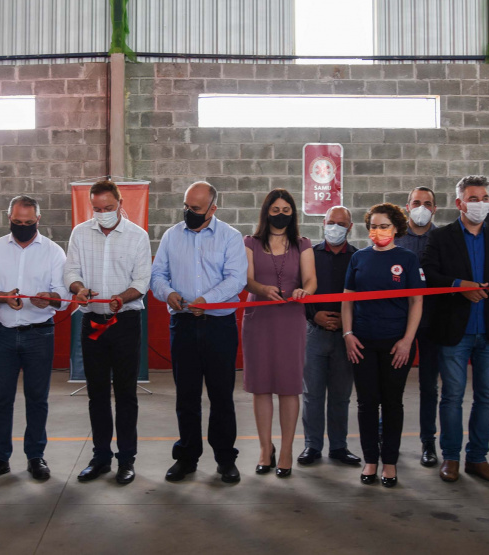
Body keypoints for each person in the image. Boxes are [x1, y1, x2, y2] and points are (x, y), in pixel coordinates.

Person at [422, 175, 489, 484]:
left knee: (487, 397)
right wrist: (458, 286)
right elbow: (429, 273)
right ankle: (451, 457)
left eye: (484, 198)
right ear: (460, 203)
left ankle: (477, 458)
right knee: (452, 396)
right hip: (455, 331)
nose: (481, 204)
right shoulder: (441, 237)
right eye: (474, 199)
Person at [150, 181, 248, 484]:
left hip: (218, 326)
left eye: (195, 208)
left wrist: (208, 300)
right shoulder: (171, 236)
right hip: (183, 325)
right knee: (187, 396)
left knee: (221, 397)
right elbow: (157, 275)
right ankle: (186, 457)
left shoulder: (230, 237)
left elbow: (237, 279)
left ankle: (225, 459)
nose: (188, 212)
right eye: (186, 206)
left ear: (212, 208)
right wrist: (168, 293)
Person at [0, 195, 67, 482]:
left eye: (28, 222)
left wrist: (49, 298)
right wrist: (1, 297)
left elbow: (63, 295)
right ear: (9, 219)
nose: (22, 226)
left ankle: (35, 456)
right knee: (2, 399)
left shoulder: (53, 252)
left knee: (37, 399)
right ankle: (0, 457)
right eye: (17, 222)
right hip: (2, 333)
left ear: (38, 219)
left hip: (39, 334)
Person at [65, 180, 151, 485]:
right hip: (92, 322)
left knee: (126, 394)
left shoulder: (138, 237)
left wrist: (121, 298)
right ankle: (100, 457)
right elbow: (71, 272)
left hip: (125, 322)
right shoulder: (80, 233)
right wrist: (79, 289)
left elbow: (141, 281)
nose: (103, 213)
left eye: (108, 207)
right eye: (97, 208)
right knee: (97, 394)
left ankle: (126, 459)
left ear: (120, 204)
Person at [342, 203, 424, 488]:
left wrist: (407, 340)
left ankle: (389, 462)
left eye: (384, 226)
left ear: (396, 228)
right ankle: (370, 460)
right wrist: (348, 334)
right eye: (374, 226)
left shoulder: (408, 259)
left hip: (396, 344)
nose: (378, 231)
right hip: (362, 343)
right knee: (366, 403)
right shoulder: (359, 258)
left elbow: (416, 302)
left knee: (391, 403)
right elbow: (347, 299)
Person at [242, 189, 316, 478]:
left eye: (286, 210)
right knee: (260, 386)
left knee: (289, 386)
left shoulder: (303, 244)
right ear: (266, 212)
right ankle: (265, 449)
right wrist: (261, 289)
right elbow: (247, 279)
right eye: (276, 210)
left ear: (293, 213)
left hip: (290, 319)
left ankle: (286, 451)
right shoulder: (250, 242)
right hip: (259, 319)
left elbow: (311, 280)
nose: (281, 215)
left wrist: (304, 291)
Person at [299, 206, 361, 467]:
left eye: (341, 224)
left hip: (346, 336)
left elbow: (362, 296)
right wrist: (315, 316)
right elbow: (299, 291)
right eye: (331, 222)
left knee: (341, 395)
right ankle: (312, 446)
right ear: (323, 223)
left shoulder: (358, 258)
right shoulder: (309, 256)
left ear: (350, 227)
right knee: (312, 394)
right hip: (314, 333)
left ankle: (338, 447)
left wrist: (346, 323)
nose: (335, 228)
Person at [396, 186, 441, 467]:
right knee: (393, 385)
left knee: (429, 387)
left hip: (432, 324)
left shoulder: (443, 239)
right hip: (399, 324)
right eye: (416, 203)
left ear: (434, 208)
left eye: (427, 203)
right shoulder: (396, 238)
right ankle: (386, 436)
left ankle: (428, 442)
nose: (421, 208)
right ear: (407, 206)